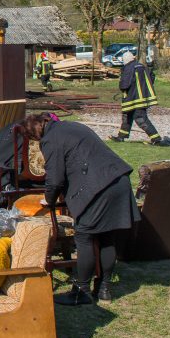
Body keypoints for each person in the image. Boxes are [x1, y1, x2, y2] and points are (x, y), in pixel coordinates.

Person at [19, 113, 140, 305]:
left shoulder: (50, 139)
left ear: (34, 133)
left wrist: (48, 200)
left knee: (85, 236)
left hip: (98, 187)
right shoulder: (74, 126)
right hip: (119, 180)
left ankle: (82, 291)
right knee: (107, 237)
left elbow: (55, 178)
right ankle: (104, 289)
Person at [109, 51, 164, 145]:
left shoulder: (128, 68)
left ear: (125, 60)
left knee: (140, 118)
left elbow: (124, 85)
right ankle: (121, 137)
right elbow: (152, 76)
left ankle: (156, 139)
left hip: (133, 98)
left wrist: (121, 86)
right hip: (142, 98)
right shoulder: (142, 66)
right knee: (127, 116)